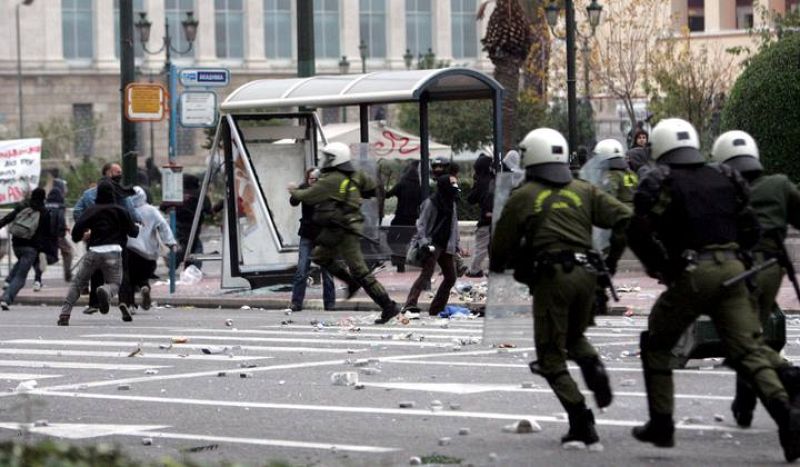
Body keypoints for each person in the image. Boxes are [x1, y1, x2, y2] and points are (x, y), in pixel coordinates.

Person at [626, 118, 799, 462]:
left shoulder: (662, 180)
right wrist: (739, 258)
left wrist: (663, 268)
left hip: (693, 271)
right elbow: (750, 227)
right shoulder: (725, 176)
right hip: (734, 269)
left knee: (657, 343)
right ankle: (786, 415)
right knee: (748, 348)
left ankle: (661, 424)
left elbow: (639, 232)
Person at [490, 128, 632, 449]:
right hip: (588, 276)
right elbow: (626, 219)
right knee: (573, 336)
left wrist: (501, 267)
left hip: (552, 278)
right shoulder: (584, 189)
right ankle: (593, 365)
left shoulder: (524, 195)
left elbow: (501, 244)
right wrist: (611, 261)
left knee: (550, 358)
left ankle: (582, 422)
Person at [711, 130, 800, 430]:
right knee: (749, 337)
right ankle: (744, 406)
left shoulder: (722, 192)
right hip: (773, 269)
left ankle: (789, 378)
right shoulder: (779, 184)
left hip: (738, 270)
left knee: (741, 341)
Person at [288, 142, 401, 325]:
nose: (325, 160)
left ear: (336, 159)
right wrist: (354, 194)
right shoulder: (356, 174)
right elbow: (373, 188)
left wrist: (293, 190)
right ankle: (352, 283)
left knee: (359, 269)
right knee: (320, 256)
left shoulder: (331, 179)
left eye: (328, 157)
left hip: (344, 230)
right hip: (338, 228)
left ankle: (388, 305)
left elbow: (306, 196)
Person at [58, 181, 139, 326]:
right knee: (115, 283)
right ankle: (105, 291)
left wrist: (82, 235)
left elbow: (76, 233)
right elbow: (133, 232)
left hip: (94, 251)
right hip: (114, 252)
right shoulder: (120, 210)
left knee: (78, 283)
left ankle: (65, 314)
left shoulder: (91, 210)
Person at [73, 162, 140, 315]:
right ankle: (125, 302)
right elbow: (132, 214)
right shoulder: (121, 194)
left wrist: (86, 230)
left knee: (96, 270)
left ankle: (95, 303)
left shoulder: (89, 195)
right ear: (108, 173)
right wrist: (135, 226)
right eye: (117, 172)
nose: (120, 175)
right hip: (118, 240)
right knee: (123, 272)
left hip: (96, 239)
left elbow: (77, 211)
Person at [402, 174, 461, 316]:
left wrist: (456, 244)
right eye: (452, 183)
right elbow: (421, 224)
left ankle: (437, 308)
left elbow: (454, 225)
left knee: (451, 277)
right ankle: (410, 304)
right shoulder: (431, 202)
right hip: (432, 244)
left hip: (446, 244)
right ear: (444, 185)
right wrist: (424, 243)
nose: (455, 186)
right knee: (426, 275)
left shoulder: (451, 202)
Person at [119, 186, 176, 313]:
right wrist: (170, 242)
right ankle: (144, 287)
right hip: (149, 253)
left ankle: (131, 305)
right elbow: (163, 226)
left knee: (129, 279)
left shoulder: (124, 210)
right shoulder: (152, 210)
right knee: (143, 276)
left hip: (130, 249)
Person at [289, 168, 336, 312]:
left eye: (316, 180)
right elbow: (294, 201)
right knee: (302, 269)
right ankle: (296, 302)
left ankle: (330, 303)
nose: (313, 182)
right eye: (311, 179)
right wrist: (294, 191)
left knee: (327, 271)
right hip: (307, 234)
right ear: (307, 179)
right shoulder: (304, 189)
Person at [0, 188, 50, 310]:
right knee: (21, 277)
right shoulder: (44, 212)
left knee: (21, 262)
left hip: (16, 245)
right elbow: (46, 235)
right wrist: (42, 250)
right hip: (31, 248)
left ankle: (8, 281)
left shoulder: (23, 206)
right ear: (43, 198)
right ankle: (6, 298)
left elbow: (8, 218)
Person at [31, 186, 72, 292]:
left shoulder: (44, 205)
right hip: (56, 235)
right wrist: (62, 232)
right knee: (68, 252)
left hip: (43, 236)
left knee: (40, 256)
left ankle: (37, 280)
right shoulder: (61, 207)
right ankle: (68, 275)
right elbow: (61, 220)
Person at [385, 161, 423, 272]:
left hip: (399, 217)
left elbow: (388, 195)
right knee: (403, 241)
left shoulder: (401, 184)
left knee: (390, 239)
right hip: (412, 219)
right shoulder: (419, 187)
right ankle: (399, 262)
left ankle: (398, 260)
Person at [466, 153, 494, 278]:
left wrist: (475, 182)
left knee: (481, 246)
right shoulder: (494, 179)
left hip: (486, 219)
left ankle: (474, 269)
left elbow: (471, 199)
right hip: (496, 219)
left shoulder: (481, 181)